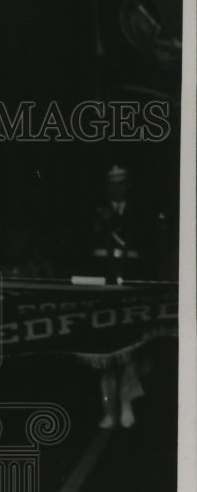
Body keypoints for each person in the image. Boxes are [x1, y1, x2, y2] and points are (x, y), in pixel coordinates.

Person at [89, 165, 146, 429]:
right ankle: (108, 410)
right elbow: (87, 246)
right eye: (113, 184)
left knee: (128, 348)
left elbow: (147, 248)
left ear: (128, 185)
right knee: (104, 351)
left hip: (130, 285)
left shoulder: (139, 212)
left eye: (122, 183)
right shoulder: (95, 212)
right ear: (107, 187)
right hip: (103, 287)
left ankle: (126, 404)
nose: (117, 188)